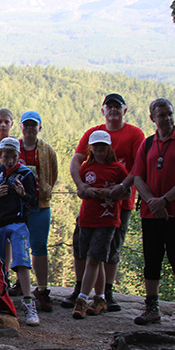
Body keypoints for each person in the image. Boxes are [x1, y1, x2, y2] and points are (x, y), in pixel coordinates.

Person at [65, 93, 145, 311]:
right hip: (91, 206)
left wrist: (121, 188)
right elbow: (76, 160)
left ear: (125, 110)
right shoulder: (93, 133)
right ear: (103, 110)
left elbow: (139, 165)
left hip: (119, 205)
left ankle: (105, 294)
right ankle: (80, 289)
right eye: (109, 107)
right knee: (81, 246)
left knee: (110, 249)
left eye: (117, 107)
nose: (113, 110)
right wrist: (81, 185)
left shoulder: (134, 134)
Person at [131, 98, 175, 327]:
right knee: (152, 261)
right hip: (151, 214)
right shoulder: (147, 144)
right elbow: (137, 177)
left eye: (170, 113)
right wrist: (153, 203)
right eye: (162, 115)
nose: (167, 118)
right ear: (152, 118)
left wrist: (163, 201)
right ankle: (152, 309)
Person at [0, 137, 39, 326]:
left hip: (17, 222)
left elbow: (34, 201)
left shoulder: (26, 174)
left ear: (18, 155)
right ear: (0, 155)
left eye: (13, 156)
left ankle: (28, 302)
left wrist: (23, 194)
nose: (9, 160)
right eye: (6, 156)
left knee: (21, 259)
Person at [71, 131, 129, 319]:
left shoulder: (118, 168)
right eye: (96, 145)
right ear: (91, 148)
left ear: (109, 147)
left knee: (93, 259)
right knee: (96, 260)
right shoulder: (86, 168)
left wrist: (110, 192)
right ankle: (100, 298)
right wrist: (87, 191)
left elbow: (127, 192)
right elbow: (80, 191)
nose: (99, 149)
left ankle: (82, 299)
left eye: (103, 145)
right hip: (87, 219)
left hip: (107, 220)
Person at [18, 111, 59, 313]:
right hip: (17, 205)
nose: (29, 128)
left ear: (39, 127)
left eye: (33, 125)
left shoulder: (47, 150)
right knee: (18, 244)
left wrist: (44, 191)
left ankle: (42, 289)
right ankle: (20, 283)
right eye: (26, 125)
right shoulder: (14, 147)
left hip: (40, 205)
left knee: (39, 246)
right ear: (21, 127)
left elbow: (53, 174)